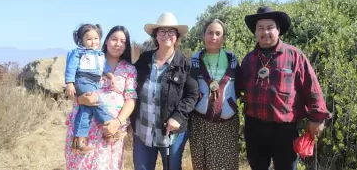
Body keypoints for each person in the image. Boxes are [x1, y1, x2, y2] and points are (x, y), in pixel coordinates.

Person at [240, 6, 332, 170]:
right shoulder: (248, 60)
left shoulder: (294, 55)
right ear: (255, 31)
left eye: (270, 27)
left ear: (278, 30)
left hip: (284, 130)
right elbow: (238, 88)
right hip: (254, 127)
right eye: (260, 28)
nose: (265, 32)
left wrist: (317, 118)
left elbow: (311, 87)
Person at [131, 12, 199, 170]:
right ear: (156, 35)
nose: (166, 35)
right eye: (162, 31)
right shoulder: (144, 59)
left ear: (177, 36)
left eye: (171, 31)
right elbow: (130, 84)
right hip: (143, 130)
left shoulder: (185, 64)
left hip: (171, 133)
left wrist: (178, 116)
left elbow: (192, 95)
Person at [65, 25, 138, 170]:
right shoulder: (88, 58)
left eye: (123, 41)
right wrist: (81, 100)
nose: (118, 44)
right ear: (105, 41)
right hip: (85, 128)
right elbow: (72, 90)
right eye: (114, 39)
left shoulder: (129, 69)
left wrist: (117, 122)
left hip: (110, 131)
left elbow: (131, 99)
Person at [188, 18, 242, 170]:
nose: (213, 37)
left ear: (223, 38)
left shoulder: (232, 59)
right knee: (201, 164)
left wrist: (228, 104)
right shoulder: (194, 60)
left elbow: (238, 87)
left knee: (226, 165)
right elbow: (189, 89)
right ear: (203, 35)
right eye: (210, 32)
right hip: (200, 123)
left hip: (227, 124)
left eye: (218, 33)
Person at [65, 24, 115, 152]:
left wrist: (110, 76)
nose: (93, 42)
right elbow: (71, 68)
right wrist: (69, 82)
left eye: (96, 38)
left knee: (86, 109)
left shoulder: (100, 54)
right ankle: (108, 126)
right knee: (95, 101)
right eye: (89, 39)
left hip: (94, 83)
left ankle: (79, 141)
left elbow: (105, 68)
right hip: (83, 80)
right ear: (82, 40)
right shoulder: (78, 52)